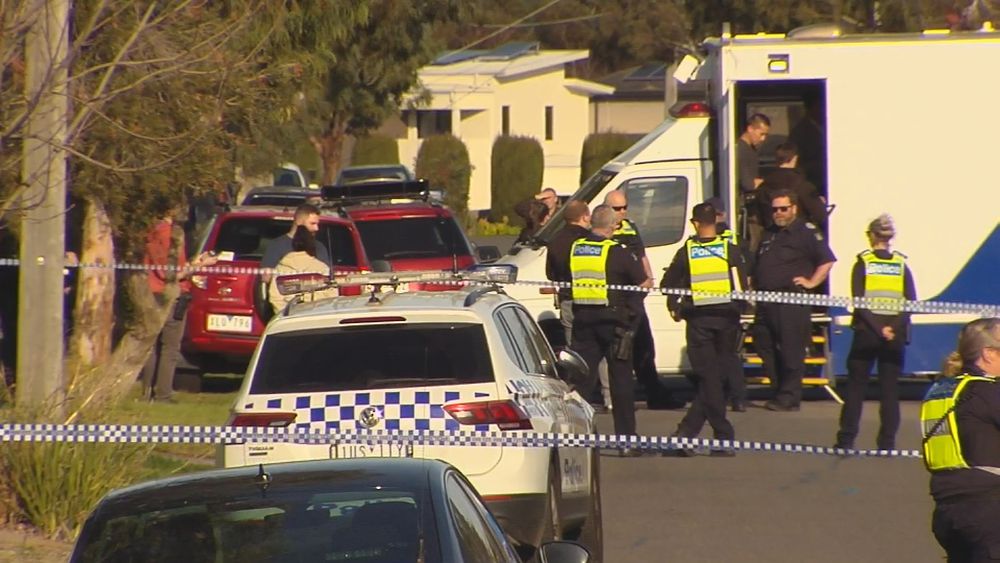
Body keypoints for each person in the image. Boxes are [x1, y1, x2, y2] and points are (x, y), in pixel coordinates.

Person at [661, 203, 748, 456]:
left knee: (709, 381)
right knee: (715, 381)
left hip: (699, 323)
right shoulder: (729, 250)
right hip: (727, 323)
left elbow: (668, 285)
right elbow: (742, 289)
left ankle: (698, 435)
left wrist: (675, 307)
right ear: (716, 221)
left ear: (695, 223)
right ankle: (706, 437)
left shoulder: (687, 251)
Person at [569, 205, 651, 456]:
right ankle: (626, 442)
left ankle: (577, 438)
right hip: (614, 324)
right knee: (621, 383)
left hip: (583, 321)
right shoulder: (617, 252)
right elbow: (642, 281)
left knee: (582, 382)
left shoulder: (576, 248)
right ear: (612, 227)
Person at [835, 214, 916, 451]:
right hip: (894, 335)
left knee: (855, 388)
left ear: (871, 236)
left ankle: (846, 440)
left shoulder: (863, 263)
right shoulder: (901, 264)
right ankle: (887, 443)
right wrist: (892, 328)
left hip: (867, 333)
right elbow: (911, 302)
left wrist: (878, 328)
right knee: (890, 389)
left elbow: (859, 302)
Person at [922, 318, 1000, 561]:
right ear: (988, 353)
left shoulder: (941, 390)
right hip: (988, 510)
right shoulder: (988, 392)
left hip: (948, 508)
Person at [751, 189, 836, 412]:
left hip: (790, 300)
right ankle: (779, 390)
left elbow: (826, 261)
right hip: (765, 300)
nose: (778, 213)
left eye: (783, 209)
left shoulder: (805, 232)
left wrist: (811, 282)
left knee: (791, 351)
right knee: (764, 344)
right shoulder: (769, 233)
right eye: (775, 209)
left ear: (794, 208)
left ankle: (789, 397)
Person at [605, 189, 685, 410]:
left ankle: (655, 394)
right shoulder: (602, 229)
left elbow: (641, 256)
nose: (622, 212)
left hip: (634, 299)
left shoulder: (630, 227)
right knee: (618, 353)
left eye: (625, 207)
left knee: (644, 347)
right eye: (617, 208)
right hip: (614, 301)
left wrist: (648, 278)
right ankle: (619, 398)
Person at [142, 205, 217, 403]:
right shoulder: (172, 234)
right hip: (171, 296)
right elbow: (172, 274)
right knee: (170, 348)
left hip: (151, 293)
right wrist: (200, 265)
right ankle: (163, 394)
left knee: (152, 347)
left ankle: (147, 392)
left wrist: (193, 262)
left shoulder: (150, 231)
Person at [704, 197, 749, 411]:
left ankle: (723, 396)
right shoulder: (735, 239)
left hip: (712, 305)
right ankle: (737, 398)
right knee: (730, 355)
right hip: (729, 304)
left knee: (718, 356)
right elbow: (746, 270)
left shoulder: (703, 241)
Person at [544, 200, 592, 347]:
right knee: (593, 347)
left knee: (572, 348)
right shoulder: (589, 239)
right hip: (590, 300)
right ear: (585, 217)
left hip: (566, 298)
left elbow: (550, 274)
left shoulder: (555, 239)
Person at [757, 142, 827, 230]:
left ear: (776, 159)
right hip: (799, 234)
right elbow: (821, 217)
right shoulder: (803, 186)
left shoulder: (763, 186)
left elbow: (759, 217)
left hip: (771, 234)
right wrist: (820, 204)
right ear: (795, 158)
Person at [268, 226, 338, 312]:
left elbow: (274, 297)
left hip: (288, 317)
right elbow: (332, 297)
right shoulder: (322, 268)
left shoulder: (281, 268)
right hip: (316, 315)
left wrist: (285, 314)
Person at [261, 203, 330, 279]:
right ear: (299, 221)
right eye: (312, 223)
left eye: (317, 224)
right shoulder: (276, 246)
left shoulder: (319, 247)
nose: (316, 228)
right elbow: (266, 277)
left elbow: (325, 276)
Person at [737, 113, 771, 253]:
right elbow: (748, 184)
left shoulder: (751, 149)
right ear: (750, 128)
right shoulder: (740, 150)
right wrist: (763, 182)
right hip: (747, 208)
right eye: (761, 134)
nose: (763, 139)